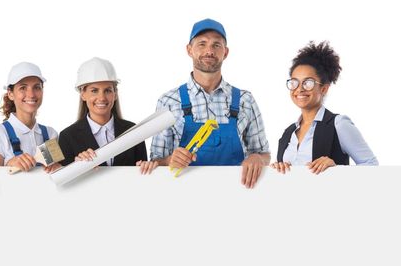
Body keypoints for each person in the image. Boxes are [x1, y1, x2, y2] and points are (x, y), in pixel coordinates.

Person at [151, 19, 270, 188]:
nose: (209, 51)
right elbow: (155, 162)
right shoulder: (169, 101)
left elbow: (264, 155)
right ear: (189, 50)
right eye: (202, 44)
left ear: (226, 52)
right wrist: (170, 160)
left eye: (216, 45)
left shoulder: (245, 100)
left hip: (237, 193)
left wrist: (257, 158)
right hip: (183, 194)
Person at [271, 41, 378, 174]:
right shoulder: (288, 133)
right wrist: (277, 170)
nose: (299, 89)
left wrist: (336, 168)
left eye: (308, 82)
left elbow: (371, 165)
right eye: (294, 82)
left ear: (324, 88)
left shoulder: (338, 124)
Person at [58, 57, 157, 174]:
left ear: (115, 94)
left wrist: (146, 167)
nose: (102, 98)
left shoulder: (133, 131)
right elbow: (64, 183)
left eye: (108, 90)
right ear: (83, 94)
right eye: (94, 90)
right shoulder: (67, 137)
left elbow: (142, 175)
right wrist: (76, 166)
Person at [0, 62, 61, 173]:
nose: (31, 94)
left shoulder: (50, 135)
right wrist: (9, 164)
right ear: (10, 94)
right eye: (23, 88)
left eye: (37, 87)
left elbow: (54, 178)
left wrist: (57, 169)